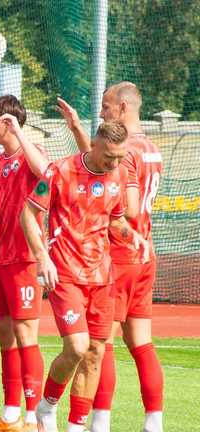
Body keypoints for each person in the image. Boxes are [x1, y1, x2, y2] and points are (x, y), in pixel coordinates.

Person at [20, 121, 148, 432]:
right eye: (109, 157)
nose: (114, 164)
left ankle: (77, 426)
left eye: (119, 157)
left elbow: (115, 222)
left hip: (102, 276)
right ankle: (47, 406)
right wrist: (42, 257)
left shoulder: (117, 175)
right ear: (93, 145)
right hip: (65, 273)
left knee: (95, 353)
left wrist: (134, 237)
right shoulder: (59, 171)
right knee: (77, 346)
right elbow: (28, 212)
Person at [56, 82, 164, 432]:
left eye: (105, 106)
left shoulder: (127, 151)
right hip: (145, 252)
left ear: (122, 108)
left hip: (117, 255)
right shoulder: (152, 148)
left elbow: (124, 205)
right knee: (142, 342)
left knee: (101, 344)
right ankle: (154, 422)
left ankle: (99, 422)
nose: (101, 112)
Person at [0, 95, 51, 432]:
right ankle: (10, 415)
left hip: (25, 259)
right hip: (1, 259)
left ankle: (33, 418)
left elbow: (45, 172)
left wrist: (21, 132)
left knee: (25, 333)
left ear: (8, 123)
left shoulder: (32, 155)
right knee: (5, 335)